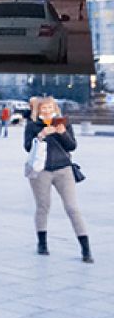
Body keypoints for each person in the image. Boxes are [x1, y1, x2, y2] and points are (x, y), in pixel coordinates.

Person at [25, 97, 92, 262]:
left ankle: (85, 248)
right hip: (41, 171)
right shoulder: (33, 125)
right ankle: (42, 243)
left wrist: (62, 133)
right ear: (38, 110)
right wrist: (40, 135)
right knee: (43, 207)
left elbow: (72, 146)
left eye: (49, 107)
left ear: (54, 108)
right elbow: (27, 147)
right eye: (43, 108)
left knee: (72, 208)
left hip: (63, 169)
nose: (47, 111)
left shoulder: (63, 123)